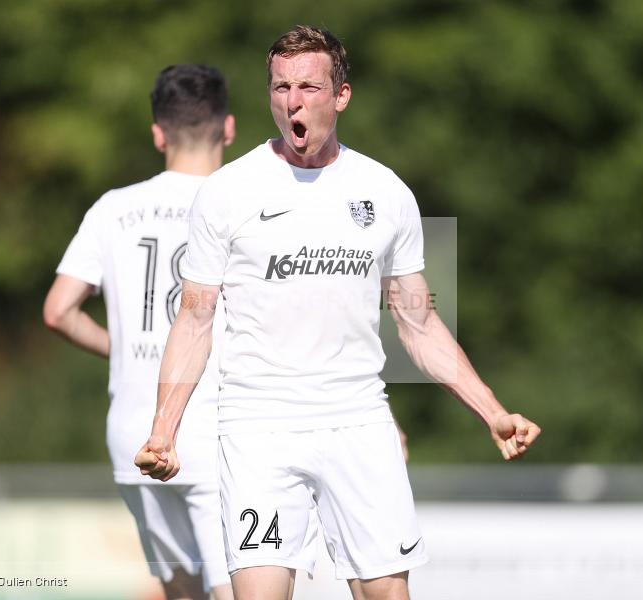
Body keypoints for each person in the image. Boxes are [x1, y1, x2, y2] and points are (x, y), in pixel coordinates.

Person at [135, 26, 541, 600]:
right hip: (259, 427)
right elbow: (194, 320)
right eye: (280, 87)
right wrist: (163, 430)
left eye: (308, 86)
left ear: (341, 95)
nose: (293, 101)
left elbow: (418, 324)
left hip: (359, 422)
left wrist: (491, 410)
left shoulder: (388, 192)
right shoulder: (227, 192)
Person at [43, 65, 236, 600]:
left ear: (157, 132)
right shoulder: (243, 204)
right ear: (228, 128)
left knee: (181, 592)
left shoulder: (113, 208)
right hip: (215, 430)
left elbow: (59, 310)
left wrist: (121, 349)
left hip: (134, 433)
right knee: (238, 591)